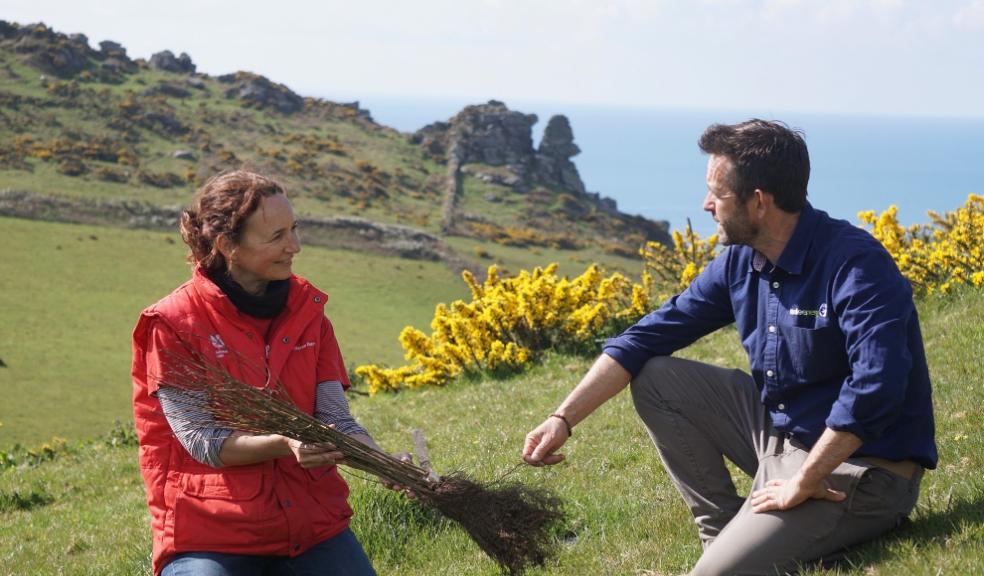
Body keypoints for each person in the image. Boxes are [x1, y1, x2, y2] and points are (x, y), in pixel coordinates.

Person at [522, 120, 938, 575]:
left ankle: (789, 541)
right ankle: (724, 534)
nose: (705, 205)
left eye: (716, 195)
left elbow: (876, 388)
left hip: (860, 470)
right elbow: (644, 338)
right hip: (783, 436)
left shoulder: (856, 265)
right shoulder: (743, 261)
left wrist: (804, 479)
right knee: (658, 378)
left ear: (758, 202)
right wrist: (563, 418)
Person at [132, 170, 402, 576]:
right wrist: (286, 442)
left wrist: (384, 464)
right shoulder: (173, 324)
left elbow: (335, 419)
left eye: (294, 230)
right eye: (276, 237)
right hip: (210, 533)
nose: (294, 246)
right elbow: (201, 440)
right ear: (228, 246)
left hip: (309, 525)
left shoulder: (310, 312)